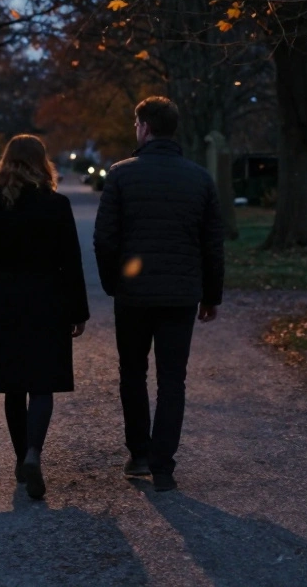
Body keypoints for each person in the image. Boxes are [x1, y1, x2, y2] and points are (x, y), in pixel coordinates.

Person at [93, 96, 224, 493]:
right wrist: (211, 295)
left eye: (137, 125)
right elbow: (212, 244)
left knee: (132, 372)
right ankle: (163, 465)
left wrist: (113, 283)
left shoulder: (121, 175)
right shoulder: (199, 179)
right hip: (180, 296)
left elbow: (104, 239)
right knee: (172, 379)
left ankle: (139, 453)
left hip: (133, 296)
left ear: (145, 127)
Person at [0, 134, 90, 500]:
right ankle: (34, 453)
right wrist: (78, 311)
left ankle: (21, 456)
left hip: (5, 299)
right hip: (47, 299)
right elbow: (71, 261)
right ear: (42, 163)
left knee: (13, 385)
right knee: (42, 383)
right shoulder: (56, 205)